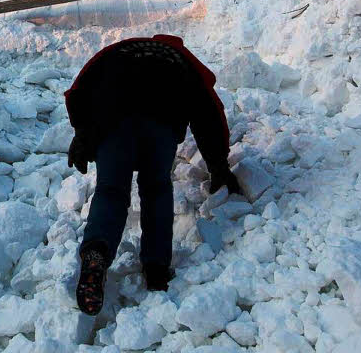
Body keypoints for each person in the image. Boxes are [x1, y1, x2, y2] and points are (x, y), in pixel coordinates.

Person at [64, 35, 241, 316]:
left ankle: (96, 251)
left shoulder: (117, 51)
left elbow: (79, 87)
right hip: (161, 121)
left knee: (111, 189)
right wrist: (218, 164)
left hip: (113, 120)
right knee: (156, 187)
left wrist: (83, 133)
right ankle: (156, 269)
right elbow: (209, 113)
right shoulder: (183, 62)